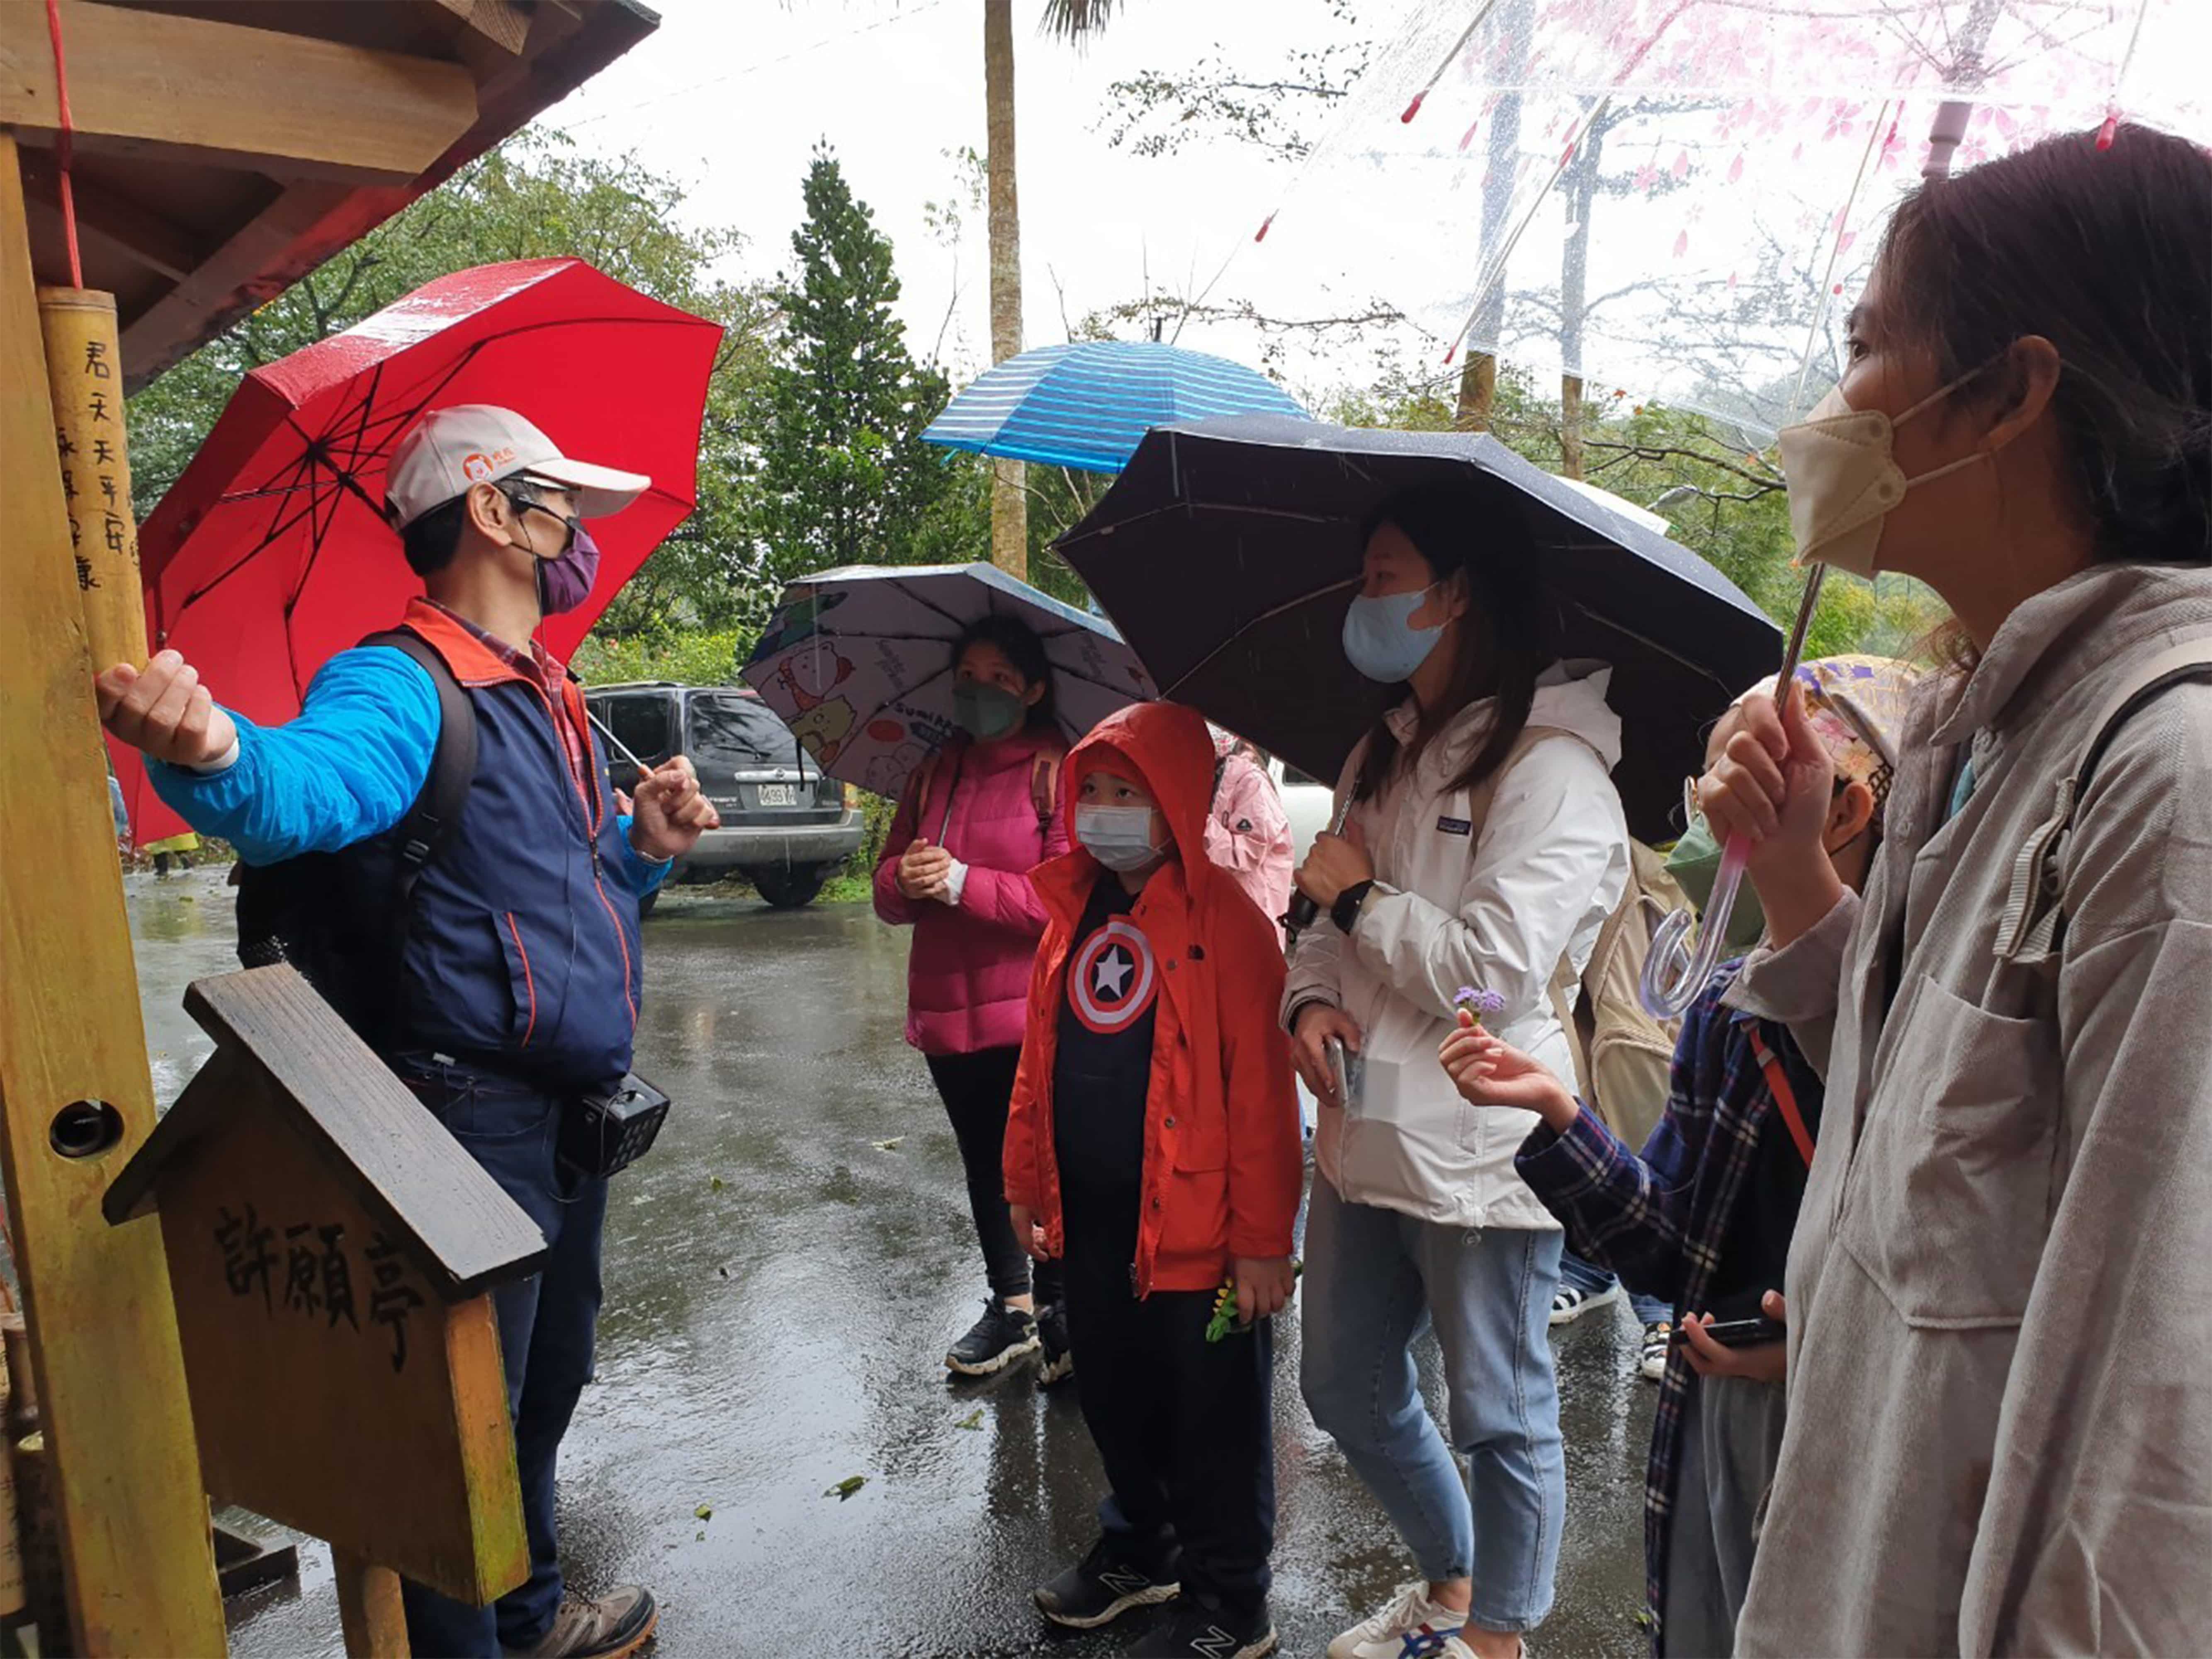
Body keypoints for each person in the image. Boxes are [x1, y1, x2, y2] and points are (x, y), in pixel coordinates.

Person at [1693, 125, 2212, 1656]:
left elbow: (2154, 1449)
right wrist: (1798, 872)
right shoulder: (1972, 733)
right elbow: (1948, 1142)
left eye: (1868, 345)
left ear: (2004, 392)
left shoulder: (2166, 777)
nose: (1833, 400)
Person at [97, 404, 716, 1659]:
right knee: (456, 1436)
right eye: (564, 508)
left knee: (541, 1389)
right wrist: (211, 750)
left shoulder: (547, 690)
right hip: (463, 1120)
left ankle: (530, 1616)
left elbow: (563, 891)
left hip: (569, 1121)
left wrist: (642, 849)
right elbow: (305, 790)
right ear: (495, 512)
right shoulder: (399, 682)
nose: (580, 535)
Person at [1441, 656, 1916, 1657]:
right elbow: (1669, 1247)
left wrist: (1817, 1341)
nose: (1704, 818)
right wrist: (1559, 1114)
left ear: (1846, 809)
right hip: (1716, 1433)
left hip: (1864, 1442)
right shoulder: (1723, 1005)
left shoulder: (1921, 1016)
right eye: (1707, 783)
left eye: (1747, 777)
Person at [1283, 487, 1631, 1659]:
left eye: (1383, 576)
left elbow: (1491, 974)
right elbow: (1319, 921)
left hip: (1484, 1145)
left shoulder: (1554, 770)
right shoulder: (1376, 752)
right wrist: (1309, 999)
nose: (1363, 599)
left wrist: (1357, 900)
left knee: (1498, 1412)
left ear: (1457, 593)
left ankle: (1496, 1638)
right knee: (1341, 1382)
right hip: (1360, 1127)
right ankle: (1452, 1579)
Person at [1004, 700, 1303, 1659]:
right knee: (1114, 1396)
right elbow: (1037, 1059)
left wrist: (1264, 1242)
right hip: (1095, 1225)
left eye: (1126, 791)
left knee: (1214, 1424)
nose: (1101, 809)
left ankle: (1231, 1599)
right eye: (1090, 788)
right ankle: (1144, 1544)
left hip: (1201, 1238)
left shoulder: (1231, 926)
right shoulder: (1072, 914)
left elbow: (1263, 1097)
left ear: (1176, 801)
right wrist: (1025, 1181)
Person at [873, 614, 1073, 1381]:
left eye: (998, 678)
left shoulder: (1058, 770)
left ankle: (1061, 1310)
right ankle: (1011, 1308)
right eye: (966, 678)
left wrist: (960, 881)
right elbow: (886, 891)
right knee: (984, 1164)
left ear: (1033, 689)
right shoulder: (933, 771)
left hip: (1031, 1012)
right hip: (945, 1011)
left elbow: (1062, 899)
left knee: (1043, 1164)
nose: (978, 691)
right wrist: (905, 879)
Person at [1203, 728, 1295, 940]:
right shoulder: (1216, 776)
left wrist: (1199, 823)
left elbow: (1246, 854)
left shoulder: (1251, 783)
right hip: (1223, 912)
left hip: (1252, 915)